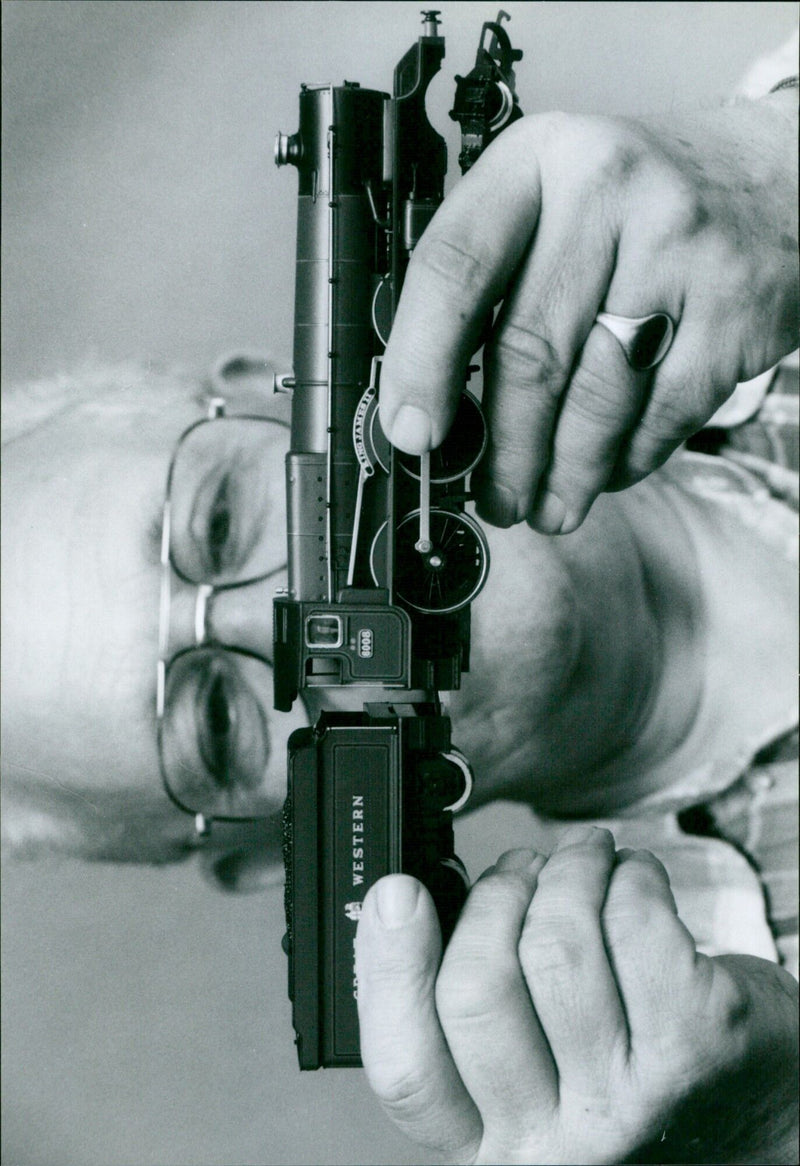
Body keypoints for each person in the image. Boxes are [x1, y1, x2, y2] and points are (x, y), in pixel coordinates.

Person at [2, 25, 797, 1166]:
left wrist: (785, 161)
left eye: (218, 525)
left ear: (253, 392)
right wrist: (780, 1119)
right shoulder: (716, 1045)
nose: (276, 628)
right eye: (214, 721)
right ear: (270, 854)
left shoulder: (759, 194)